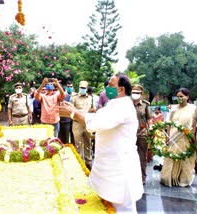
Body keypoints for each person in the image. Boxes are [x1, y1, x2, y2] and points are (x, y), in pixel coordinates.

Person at [58, 73, 143, 213]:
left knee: (122, 207)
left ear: (121, 90)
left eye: (110, 85)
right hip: (110, 164)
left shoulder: (123, 106)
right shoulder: (115, 104)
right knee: (108, 205)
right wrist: (73, 109)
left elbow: (98, 122)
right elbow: (97, 116)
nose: (107, 88)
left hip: (120, 168)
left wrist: (72, 114)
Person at [160, 88, 196, 187]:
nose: (180, 98)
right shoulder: (173, 108)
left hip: (186, 137)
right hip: (173, 137)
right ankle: (169, 178)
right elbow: (168, 123)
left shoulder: (193, 108)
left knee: (185, 158)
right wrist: (167, 137)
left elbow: (195, 123)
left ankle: (183, 179)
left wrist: (193, 136)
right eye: (178, 96)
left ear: (187, 97)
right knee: (171, 157)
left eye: (182, 96)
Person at [71, 81, 96, 169]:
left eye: (84, 88)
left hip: (87, 124)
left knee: (88, 143)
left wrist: (93, 110)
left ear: (87, 88)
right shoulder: (74, 98)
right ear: (79, 87)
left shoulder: (90, 98)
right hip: (77, 124)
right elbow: (71, 111)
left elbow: (93, 109)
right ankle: (79, 163)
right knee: (77, 144)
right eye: (81, 88)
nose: (82, 89)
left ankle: (88, 162)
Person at [132, 84, 152, 185]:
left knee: (142, 156)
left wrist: (151, 130)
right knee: (129, 156)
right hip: (129, 134)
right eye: (133, 92)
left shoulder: (145, 105)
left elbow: (149, 119)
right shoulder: (127, 104)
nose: (135, 94)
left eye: (137, 93)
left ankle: (142, 176)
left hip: (142, 133)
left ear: (141, 94)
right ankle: (130, 176)